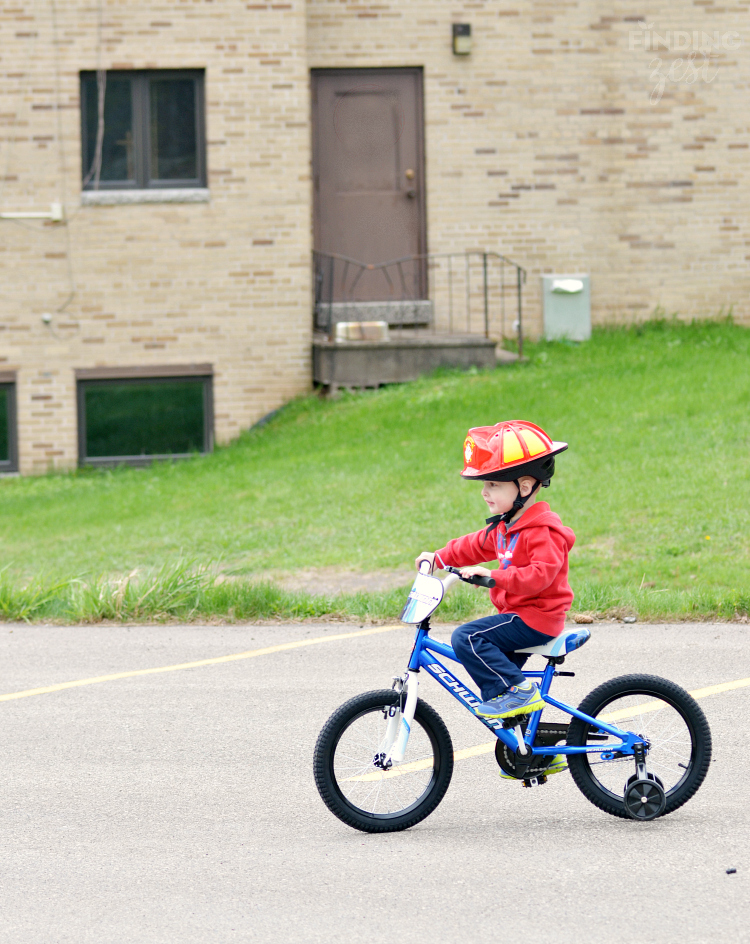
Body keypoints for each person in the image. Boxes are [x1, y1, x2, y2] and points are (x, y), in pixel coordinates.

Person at [415, 420, 575, 723]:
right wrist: (437, 557)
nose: (485, 492)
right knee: (497, 690)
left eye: (494, 484)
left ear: (524, 487)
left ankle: (521, 693)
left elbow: (539, 576)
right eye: (484, 485)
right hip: (520, 615)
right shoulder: (507, 527)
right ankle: (531, 750)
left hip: (536, 617)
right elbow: (474, 545)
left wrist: (493, 577)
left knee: (468, 639)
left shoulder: (543, 531)